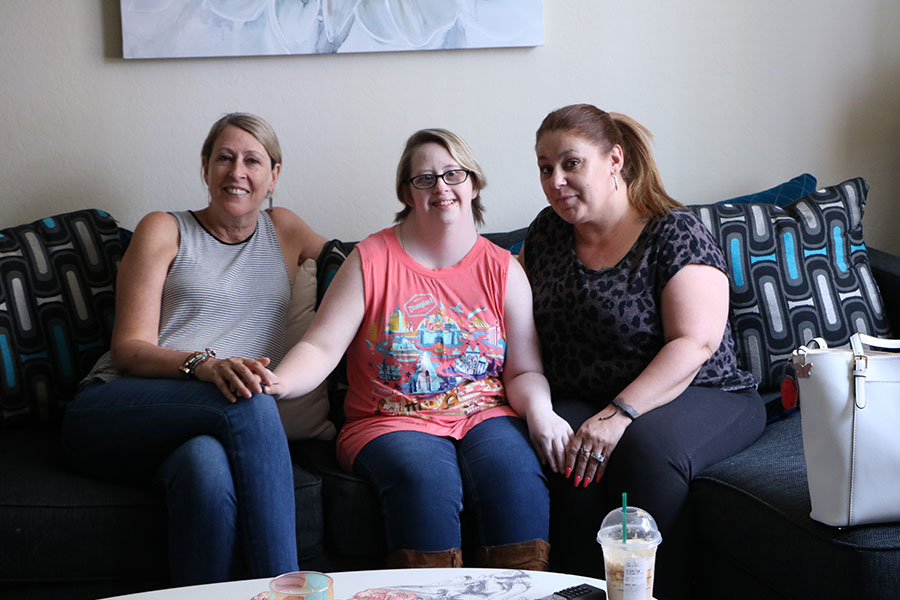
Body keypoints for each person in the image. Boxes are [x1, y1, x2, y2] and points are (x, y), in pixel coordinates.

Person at [267, 128, 572, 569]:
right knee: (425, 480)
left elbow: (523, 371)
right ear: (407, 193)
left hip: (484, 413)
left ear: (474, 184)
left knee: (515, 476)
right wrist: (276, 383)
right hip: (389, 419)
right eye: (425, 179)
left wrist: (541, 413)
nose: (441, 187)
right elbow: (321, 345)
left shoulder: (503, 268)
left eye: (453, 174)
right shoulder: (370, 260)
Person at [61, 113, 326, 585]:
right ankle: (285, 591)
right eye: (224, 158)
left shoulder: (284, 230)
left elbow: (362, 266)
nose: (237, 172)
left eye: (252, 160)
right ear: (205, 167)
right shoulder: (165, 228)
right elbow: (128, 349)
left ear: (274, 176)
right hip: (116, 407)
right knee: (252, 403)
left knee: (205, 469)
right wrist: (203, 365)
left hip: (202, 433)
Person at [520, 104, 765, 599]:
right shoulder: (547, 231)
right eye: (546, 168)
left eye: (571, 164)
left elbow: (695, 342)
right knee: (565, 452)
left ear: (614, 160)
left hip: (701, 392)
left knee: (645, 454)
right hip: (586, 394)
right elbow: (513, 313)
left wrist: (620, 413)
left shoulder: (673, 232)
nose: (556, 181)